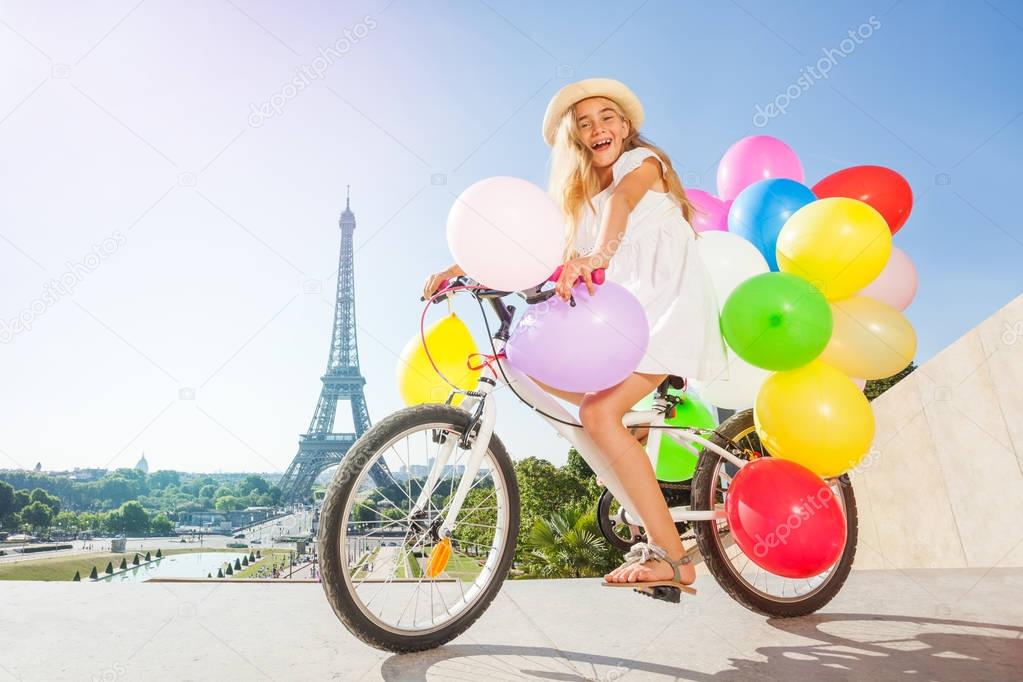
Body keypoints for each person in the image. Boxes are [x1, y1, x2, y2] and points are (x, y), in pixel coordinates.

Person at [424, 79, 728, 596]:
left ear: (627, 126)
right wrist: (467, 266)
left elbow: (624, 206)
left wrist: (600, 256)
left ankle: (674, 558)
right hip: (617, 320)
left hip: (664, 310)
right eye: (584, 123)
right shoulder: (582, 202)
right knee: (555, 387)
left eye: (607, 117)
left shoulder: (642, 165)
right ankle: (638, 477)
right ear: (575, 138)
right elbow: (537, 253)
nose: (597, 128)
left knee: (596, 414)